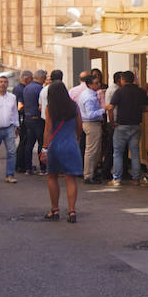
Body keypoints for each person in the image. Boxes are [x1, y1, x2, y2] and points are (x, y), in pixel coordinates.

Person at [42, 80, 83, 222]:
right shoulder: (74, 106)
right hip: (71, 144)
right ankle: (72, 211)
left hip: (55, 145)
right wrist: (76, 138)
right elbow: (79, 126)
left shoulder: (50, 108)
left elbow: (48, 129)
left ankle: (54, 209)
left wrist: (44, 148)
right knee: (70, 178)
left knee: (52, 176)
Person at [106, 71, 148, 186]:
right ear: (133, 79)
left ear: (122, 80)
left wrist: (112, 122)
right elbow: (147, 108)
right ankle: (136, 179)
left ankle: (116, 179)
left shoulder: (119, 91)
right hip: (136, 125)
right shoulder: (140, 91)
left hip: (121, 125)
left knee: (118, 152)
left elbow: (110, 108)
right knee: (135, 152)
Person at [76, 72, 106, 184]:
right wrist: (104, 109)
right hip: (91, 123)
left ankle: (91, 173)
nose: (99, 85)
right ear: (89, 84)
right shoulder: (89, 97)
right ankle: (88, 175)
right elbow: (91, 114)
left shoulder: (88, 94)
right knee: (91, 151)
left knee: (94, 150)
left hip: (90, 123)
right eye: (96, 83)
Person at [20, 70, 46, 174]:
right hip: (37, 119)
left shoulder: (26, 88)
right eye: (44, 78)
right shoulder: (40, 89)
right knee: (41, 143)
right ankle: (43, 167)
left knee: (29, 144)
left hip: (28, 118)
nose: (44, 81)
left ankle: (28, 167)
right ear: (41, 78)